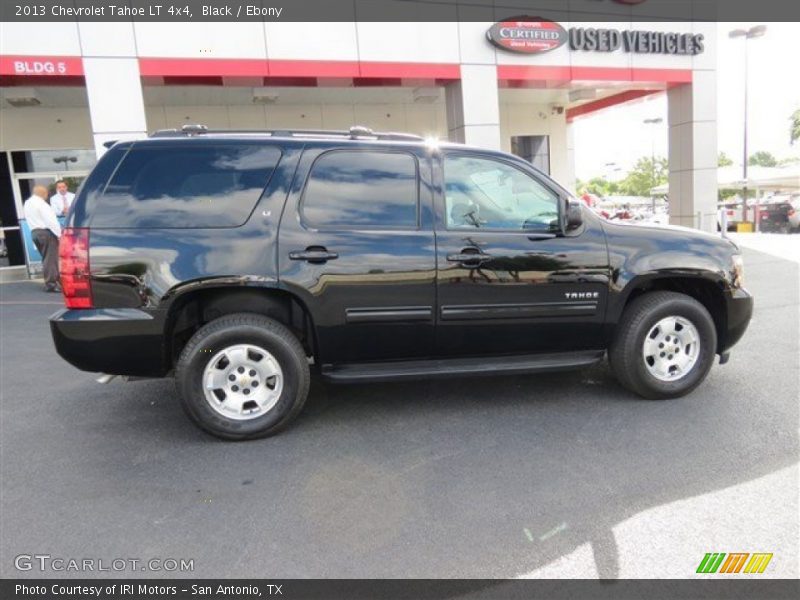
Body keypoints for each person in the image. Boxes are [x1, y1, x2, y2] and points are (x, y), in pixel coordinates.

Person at [24, 185, 62, 292]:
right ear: (44, 194)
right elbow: (51, 221)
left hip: (35, 232)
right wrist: (59, 235)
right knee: (50, 259)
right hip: (46, 233)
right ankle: (51, 284)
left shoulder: (27, 203)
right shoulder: (42, 204)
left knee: (47, 258)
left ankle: (55, 280)